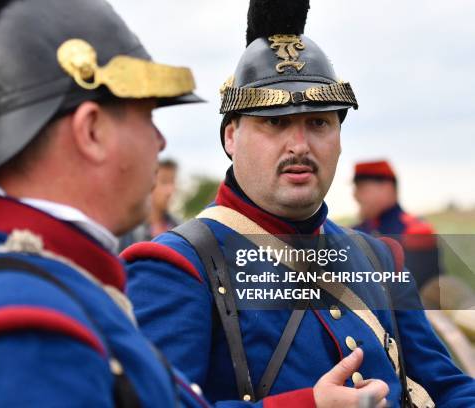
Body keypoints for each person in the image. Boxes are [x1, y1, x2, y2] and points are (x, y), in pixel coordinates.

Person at [122, 1, 475, 407]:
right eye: (275, 122)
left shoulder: (379, 259)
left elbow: (447, 387)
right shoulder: (175, 266)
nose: (300, 146)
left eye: (319, 122)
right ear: (231, 137)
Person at [0, 0, 213, 406]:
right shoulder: (24, 338)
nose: (160, 141)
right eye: (146, 115)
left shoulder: (44, 288)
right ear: (92, 131)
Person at [352, 160, 441, 289]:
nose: (355, 195)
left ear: (386, 188)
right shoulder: (354, 232)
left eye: (361, 188)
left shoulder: (416, 231)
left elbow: (415, 291)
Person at [119, 159, 181, 251]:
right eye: (164, 182)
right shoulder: (126, 229)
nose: (170, 190)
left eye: (172, 182)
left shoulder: (178, 227)